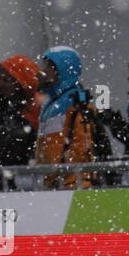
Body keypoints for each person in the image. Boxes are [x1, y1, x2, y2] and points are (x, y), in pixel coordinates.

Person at [36, 46, 98, 188]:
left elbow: (82, 146)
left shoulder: (75, 101)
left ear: (62, 70)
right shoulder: (52, 103)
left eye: (48, 67)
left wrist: (65, 174)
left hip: (73, 185)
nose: (42, 72)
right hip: (56, 184)